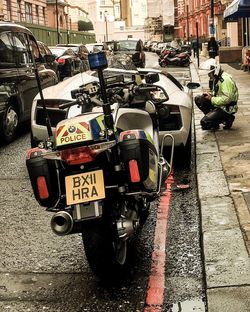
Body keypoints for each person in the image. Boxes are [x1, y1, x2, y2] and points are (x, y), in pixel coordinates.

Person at [195, 62, 238, 130]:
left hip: (226, 108)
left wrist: (212, 99)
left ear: (215, 71)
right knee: (199, 99)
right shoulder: (217, 77)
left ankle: (228, 118)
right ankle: (214, 122)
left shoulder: (225, 80)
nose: (208, 75)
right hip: (220, 105)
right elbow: (218, 92)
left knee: (205, 123)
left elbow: (227, 99)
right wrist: (210, 94)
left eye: (210, 73)